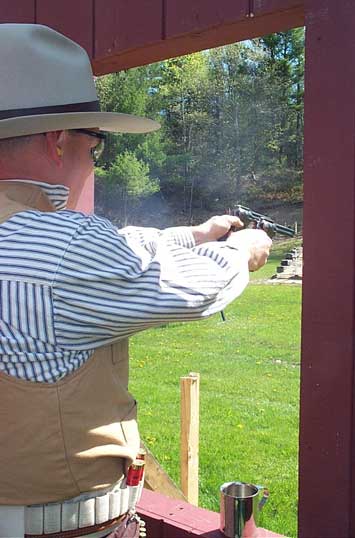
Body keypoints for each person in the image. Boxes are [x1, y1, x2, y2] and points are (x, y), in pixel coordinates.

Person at [0, 24, 272, 538]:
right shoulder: (66, 249)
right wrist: (239, 250)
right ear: (59, 141)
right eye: (94, 145)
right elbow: (197, 289)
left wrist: (193, 233)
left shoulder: (38, 240)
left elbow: (114, 251)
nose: (91, 160)